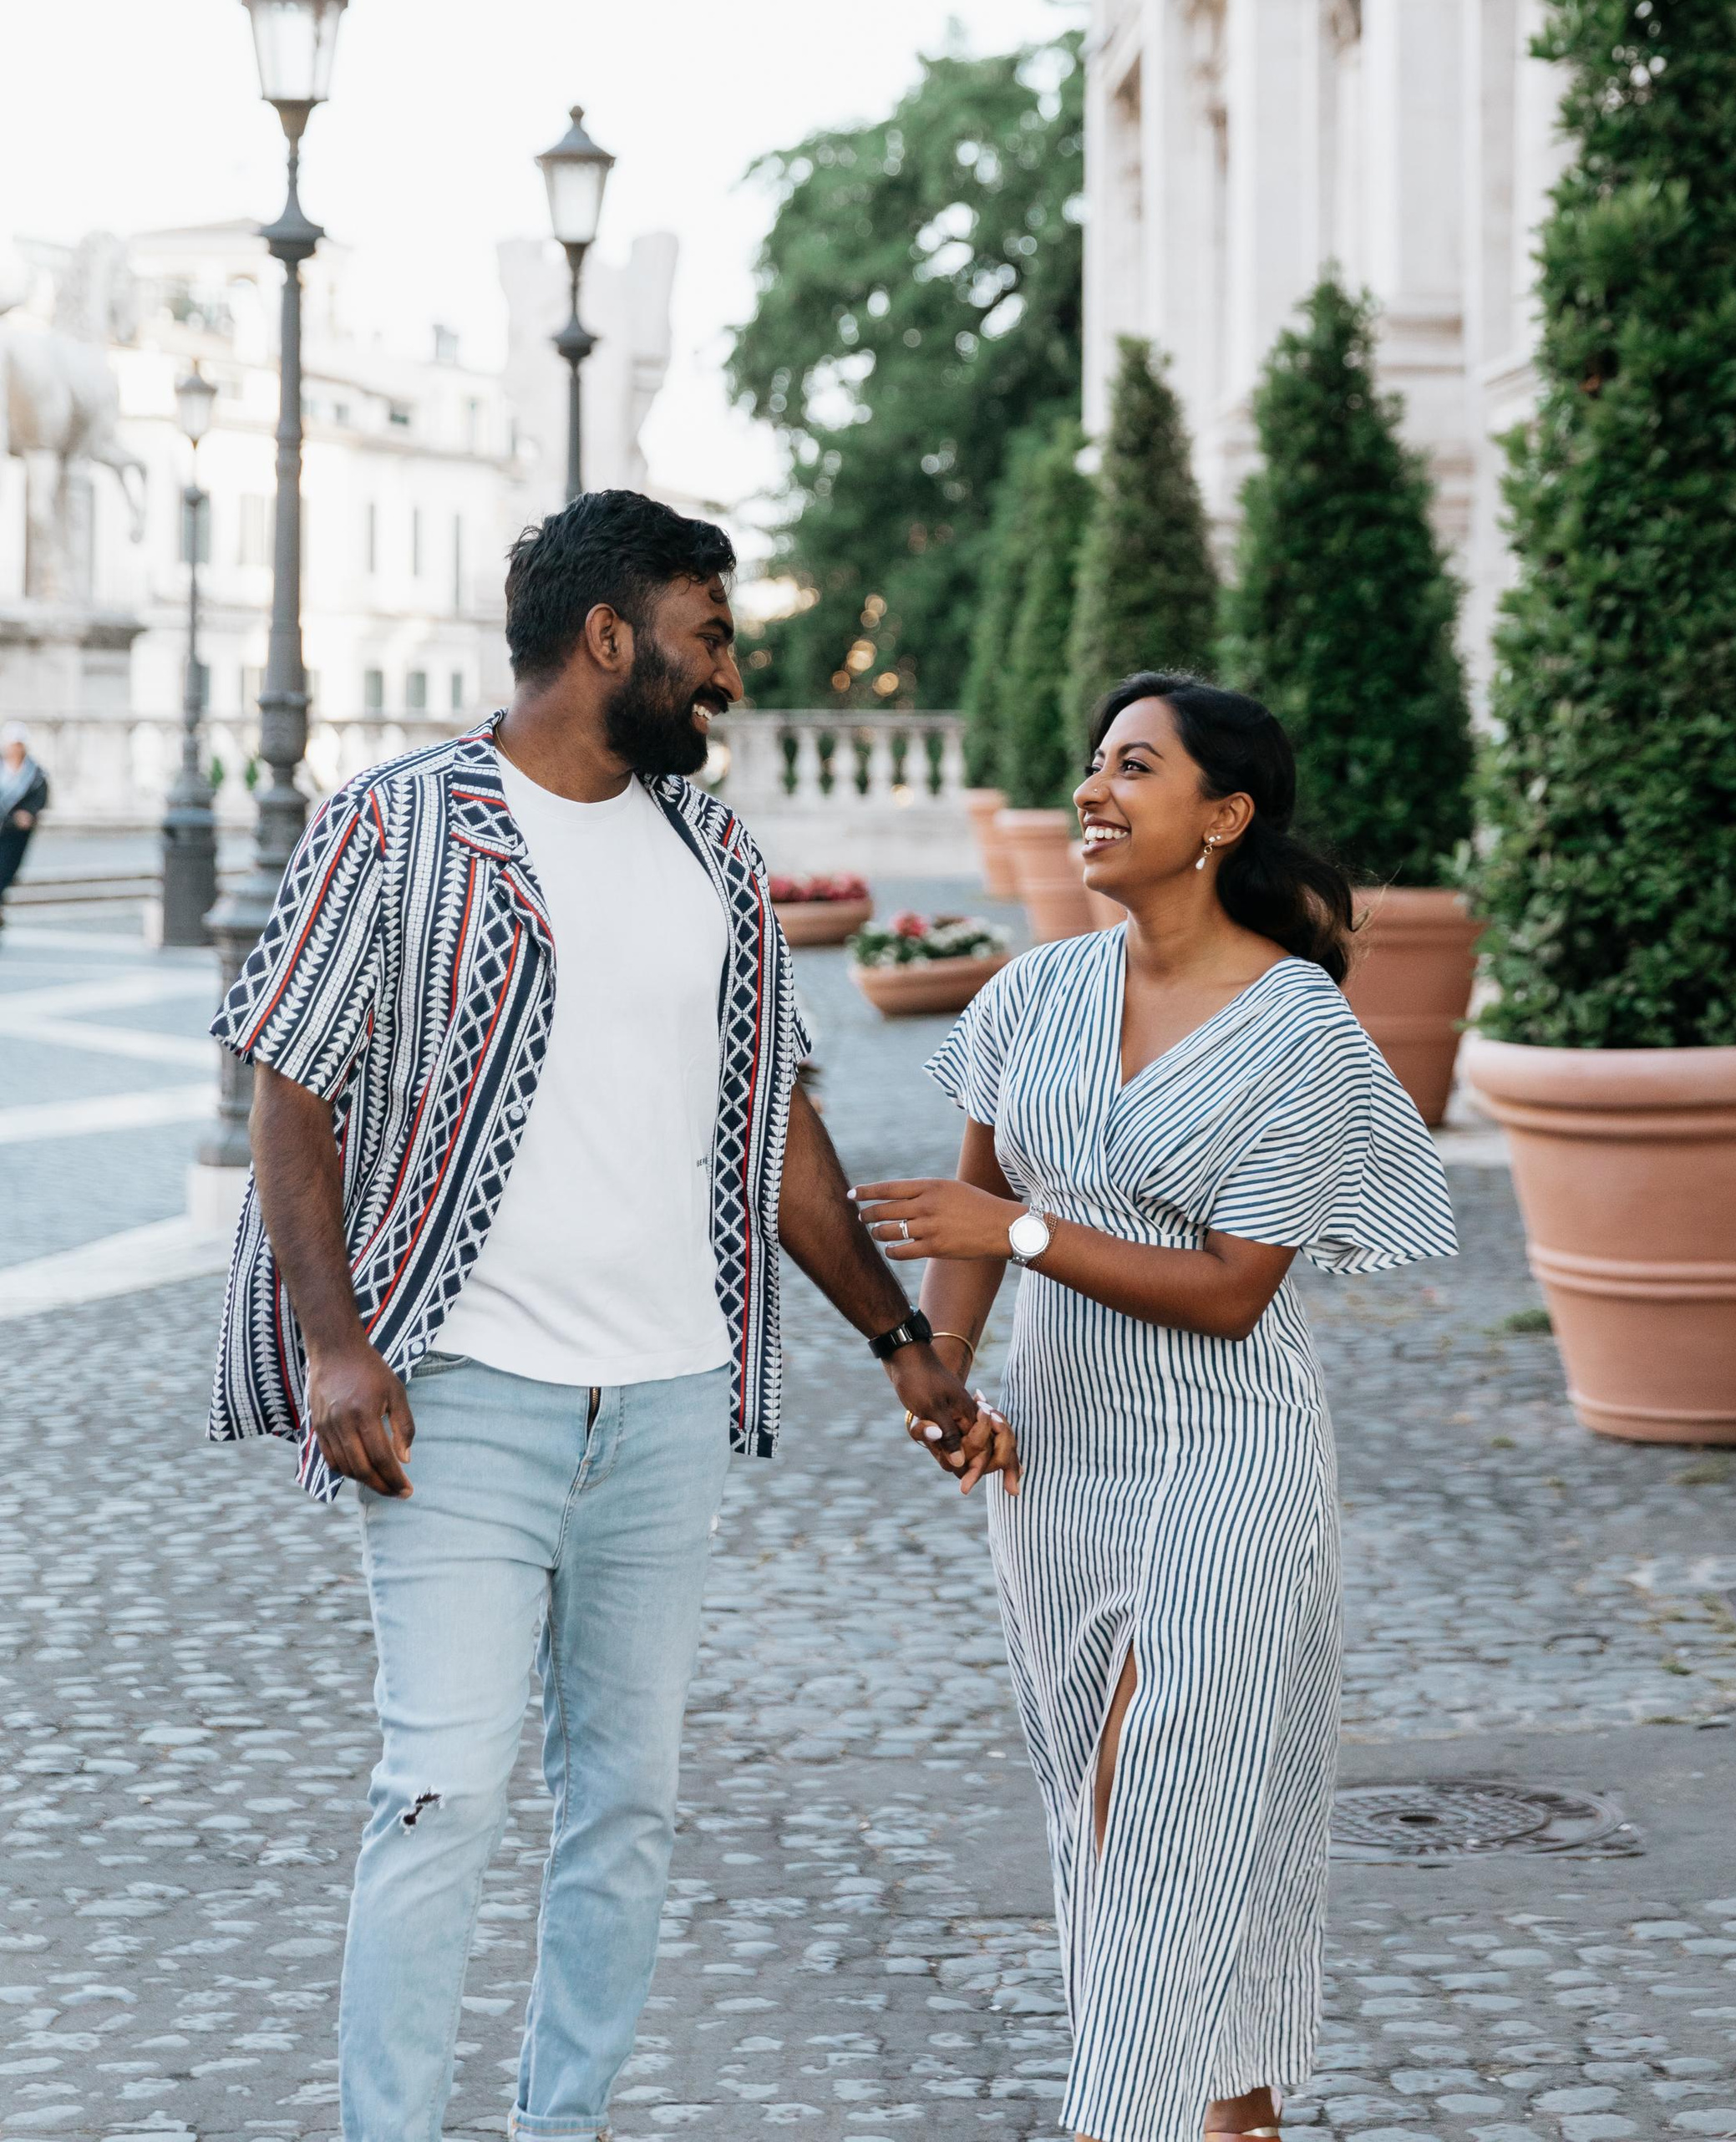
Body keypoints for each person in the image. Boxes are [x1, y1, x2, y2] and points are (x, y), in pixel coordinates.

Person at [208, 489, 1018, 2142]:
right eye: (707, 638)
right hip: (467, 1397)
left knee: (625, 1806)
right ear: (608, 638)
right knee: (440, 1792)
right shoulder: (397, 823)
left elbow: (775, 1127)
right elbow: (285, 1077)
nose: (724, 677)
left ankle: (557, 2126)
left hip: (663, 1406)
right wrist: (337, 1340)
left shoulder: (710, 852)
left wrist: (898, 1344)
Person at [856, 672, 1459, 2142]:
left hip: (1229, 1449)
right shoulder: (1034, 991)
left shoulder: (1299, 1027)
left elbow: (1233, 1287)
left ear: (1223, 816)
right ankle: (1235, 2115)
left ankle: (1117, 2120)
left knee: (1160, 1787)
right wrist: (942, 1381)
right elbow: (974, 1201)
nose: (1094, 790)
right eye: (1093, 763)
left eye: (1137, 766)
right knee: (1110, 1802)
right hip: (1056, 1457)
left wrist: (1016, 1240)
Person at [0, 725, 49, 925]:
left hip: (16, 833)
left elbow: (40, 797)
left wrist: (29, 814)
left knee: (6, 870)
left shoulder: (35, 773)